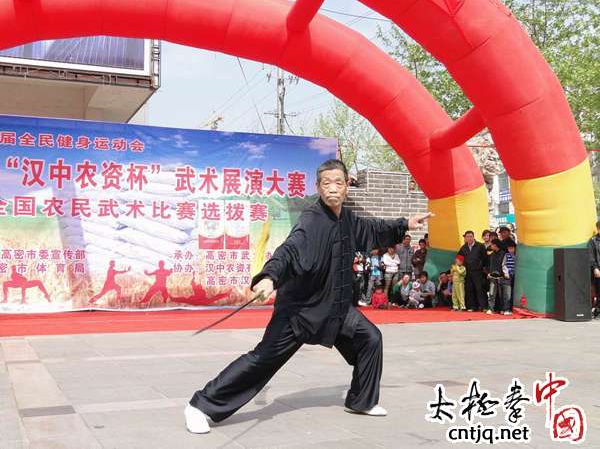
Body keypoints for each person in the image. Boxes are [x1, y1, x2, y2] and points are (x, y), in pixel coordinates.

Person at [185, 159, 432, 434]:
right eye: (326, 183)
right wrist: (270, 277)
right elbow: (289, 250)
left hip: (335, 307)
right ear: (318, 186)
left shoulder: (348, 219)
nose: (332, 188)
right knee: (263, 359)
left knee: (370, 338)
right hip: (300, 311)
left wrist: (405, 223)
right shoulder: (311, 221)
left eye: (338, 182)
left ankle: (361, 400)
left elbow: (373, 229)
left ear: (346, 186)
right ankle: (200, 406)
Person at [457, 231, 487, 312]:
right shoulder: (463, 248)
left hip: (478, 271)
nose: (469, 238)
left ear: (473, 237)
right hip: (467, 272)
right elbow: (459, 258)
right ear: (465, 238)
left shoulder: (480, 246)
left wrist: (482, 267)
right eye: (467, 237)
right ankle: (473, 307)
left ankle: (483, 307)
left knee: (480, 289)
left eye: (471, 236)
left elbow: (485, 258)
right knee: (469, 289)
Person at [486, 239, 506, 314]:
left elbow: (504, 265)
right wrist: (489, 273)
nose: (491, 246)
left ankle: (502, 309)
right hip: (492, 277)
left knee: (501, 294)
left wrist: (503, 274)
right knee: (491, 294)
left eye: (492, 244)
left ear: (495, 245)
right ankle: (490, 309)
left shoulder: (503, 254)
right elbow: (491, 265)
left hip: (501, 277)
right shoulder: (492, 254)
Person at [501, 241, 517, 315]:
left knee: (514, 293)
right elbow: (504, 264)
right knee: (507, 293)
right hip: (508, 275)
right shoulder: (506, 255)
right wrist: (506, 273)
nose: (510, 250)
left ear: (515, 248)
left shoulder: (518, 255)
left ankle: (512, 308)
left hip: (516, 276)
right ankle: (506, 309)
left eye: (512, 248)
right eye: (509, 248)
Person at [589, 221, 600, 314]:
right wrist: (595, 268)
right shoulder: (593, 241)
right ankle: (597, 309)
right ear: (598, 229)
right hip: (598, 270)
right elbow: (591, 256)